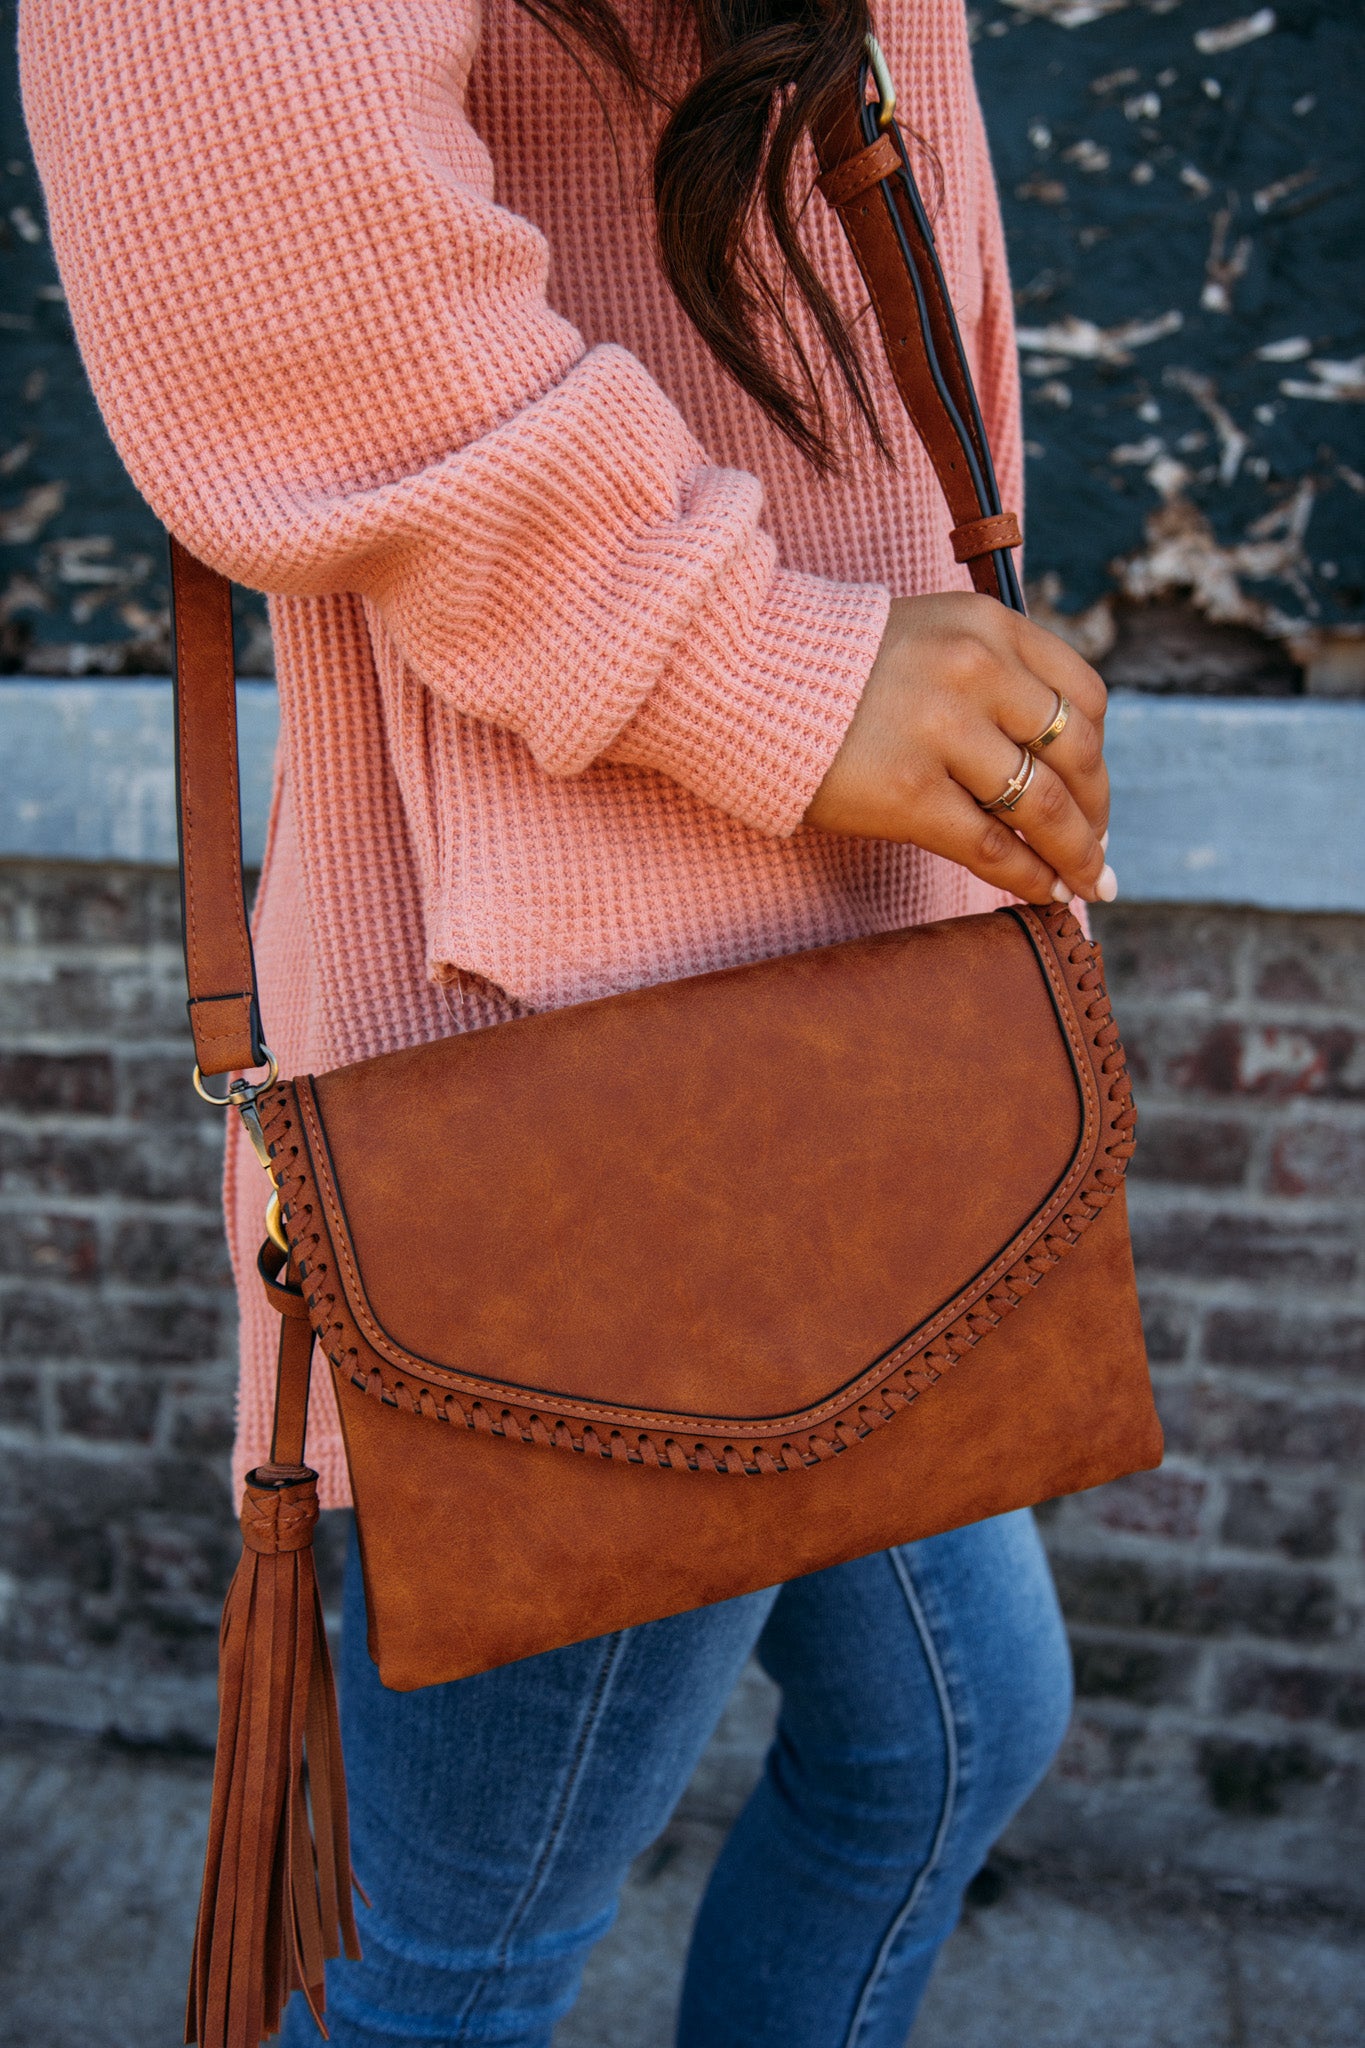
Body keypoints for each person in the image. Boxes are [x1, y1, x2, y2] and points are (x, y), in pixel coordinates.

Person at [22, 2, 1114, 2040]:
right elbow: (247, 191)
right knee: (453, 1966)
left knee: (948, 1747)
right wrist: (755, 661)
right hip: (590, 1012)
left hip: (838, 962)